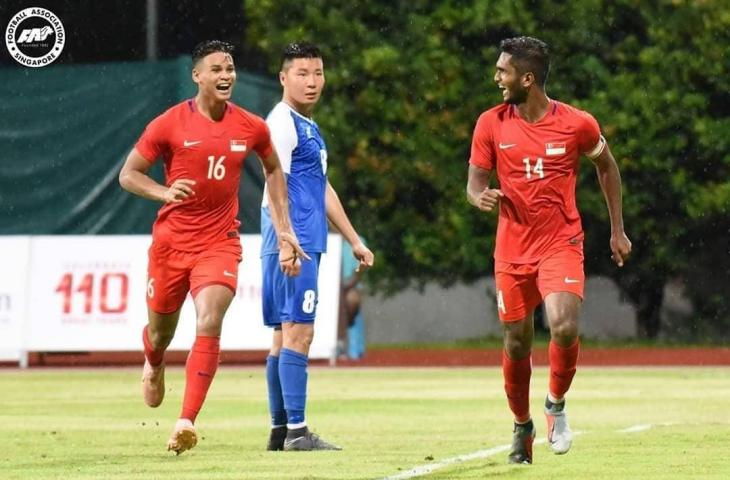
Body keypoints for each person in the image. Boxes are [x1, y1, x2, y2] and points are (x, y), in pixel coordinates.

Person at [118, 40, 306, 455]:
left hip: (219, 243)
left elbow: (273, 168)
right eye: (217, 69)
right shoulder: (169, 123)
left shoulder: (251, 126)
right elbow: (128, 175)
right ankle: (153, 358)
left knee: (209, 319)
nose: (226, 76)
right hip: (171, 245)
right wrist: (164, 192)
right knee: (161, 332)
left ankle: (186, 421)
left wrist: (284, 226)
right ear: (197, 75)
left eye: (231, 68)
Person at [466, 36, 631, 464]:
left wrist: (617, 230)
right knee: (518, 342)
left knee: (562, 325)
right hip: (512, 249)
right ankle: (522, 424)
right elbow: (474, 183)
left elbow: (607, 166)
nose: (496, 78)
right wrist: (479, 197)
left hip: (561, 242)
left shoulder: (577, 124)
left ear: (528, 78)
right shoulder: (491, 123)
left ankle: (555, 405)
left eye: (503, 71)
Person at [260, 42, 374, 452]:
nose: (312, 82)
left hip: (297, 236)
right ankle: (297, 432)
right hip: (295, 238)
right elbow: (275, 183)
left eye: (318, 73)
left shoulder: (307, 125)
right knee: (299, 333)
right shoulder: (282, 122)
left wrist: (354, 239)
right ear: (283, 78)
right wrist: (288, 238)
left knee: (283, 335)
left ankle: (280, 431)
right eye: (302, 73)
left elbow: (321, 187)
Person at [337, 237, 367, 360]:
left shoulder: (358, 241)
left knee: (351, 301)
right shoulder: (323, 238)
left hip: (349, 287)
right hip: (331, 289)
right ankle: (338, 346)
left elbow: (359, 271)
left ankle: (353, 348)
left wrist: (344, 288)